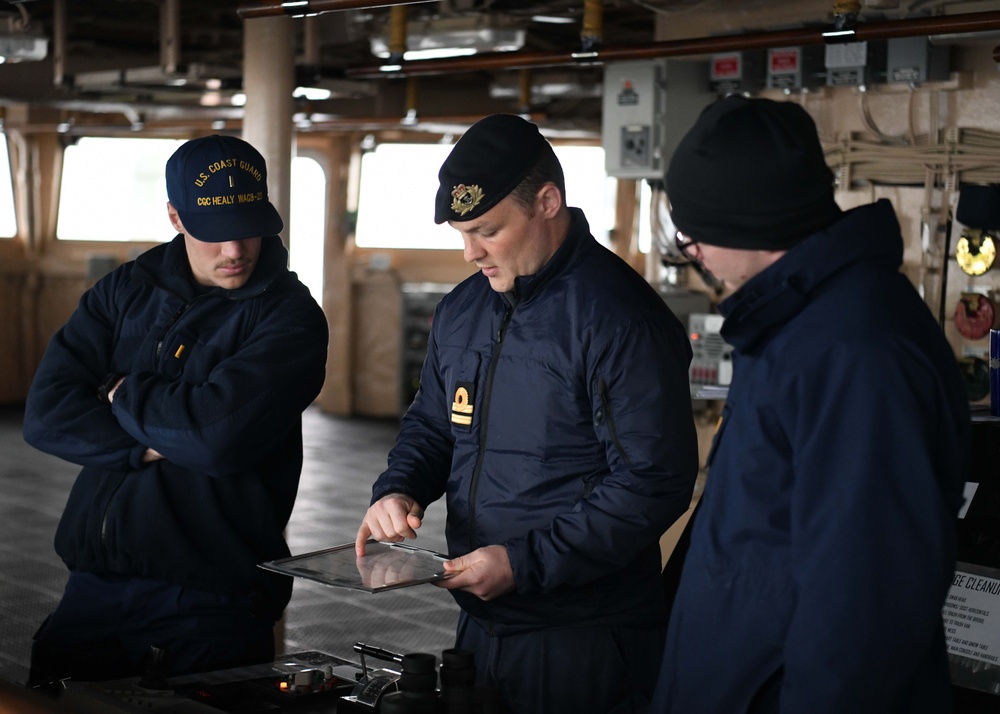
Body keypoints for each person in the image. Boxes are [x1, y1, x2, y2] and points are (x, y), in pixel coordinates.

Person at [355, 114, 700, 714]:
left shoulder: (619, 320)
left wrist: (524, 563)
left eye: (486, 231)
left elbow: (652, 481)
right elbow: (434, 424)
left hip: (587, 635)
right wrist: (400, 488)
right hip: (482, 623)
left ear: (547, 202)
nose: (469, 254)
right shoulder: (464, 309)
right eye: (462, 233)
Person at [651, 96, 971, 713]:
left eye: (693, 240)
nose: (698, 259)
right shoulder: (796, 323)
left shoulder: (855, 351)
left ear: (745, 225)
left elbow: (866, 600)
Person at [22, 135, 329, 686]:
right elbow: (46, 413)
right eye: (214, 233)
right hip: (93, 584)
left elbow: (216, 438)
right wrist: (152, 440)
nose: (235, 250)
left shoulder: (290, 318)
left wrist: (117, 391)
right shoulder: (127, 289)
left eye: (248, 226)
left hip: (208, 599)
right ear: (175, 217)